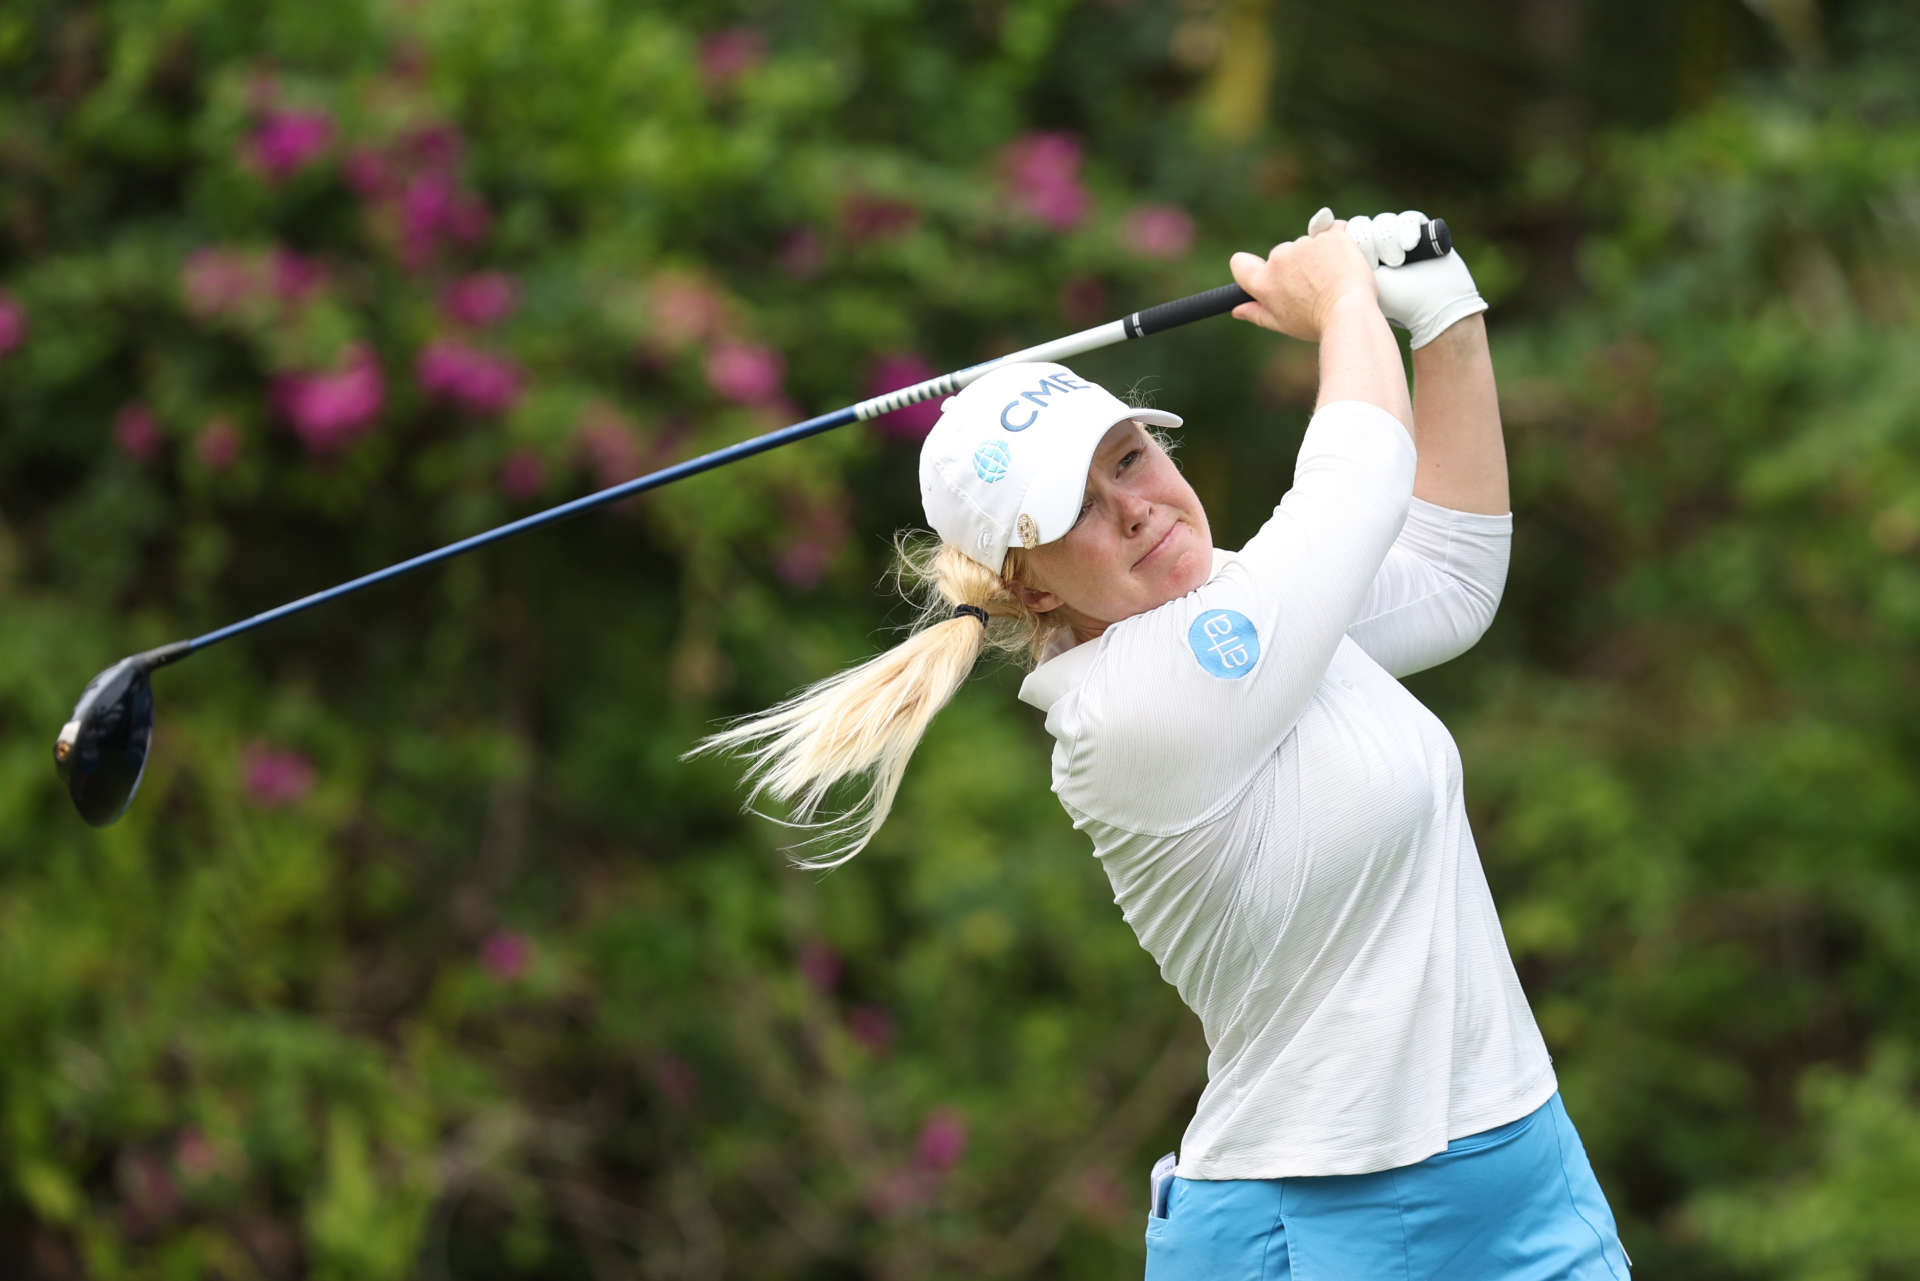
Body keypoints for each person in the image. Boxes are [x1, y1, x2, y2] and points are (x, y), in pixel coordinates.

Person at [691, 209, 1632, 1279]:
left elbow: (1451, 581)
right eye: (1078, 511)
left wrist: (1446, 317)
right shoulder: (1130, 708)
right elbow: (1358, 479)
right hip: (1331, 1215)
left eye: (1129, 457)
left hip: (1515, 1154)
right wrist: (1346, 304)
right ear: (1028, 583)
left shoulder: (1248, 600)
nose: (1134, 507)